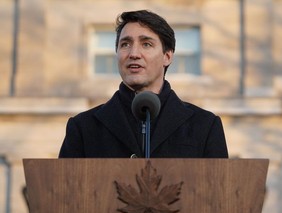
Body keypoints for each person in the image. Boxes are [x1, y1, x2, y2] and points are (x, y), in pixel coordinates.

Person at [59, 10, 228, 158]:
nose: (133, 53)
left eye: (146, 44)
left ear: (167, 56)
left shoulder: (205, 125)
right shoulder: (83, 127)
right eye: (125, 44)